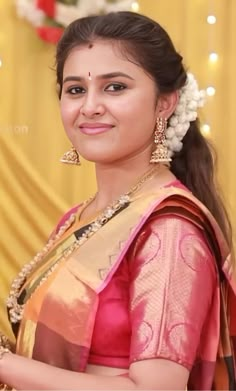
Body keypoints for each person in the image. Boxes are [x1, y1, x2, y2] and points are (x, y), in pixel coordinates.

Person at [0, 11, 235, 391]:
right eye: (76, 89)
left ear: (165, 104)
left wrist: (5, 366)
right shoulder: (79, 217)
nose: (89, 107)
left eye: (115, 88)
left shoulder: (170, 229)